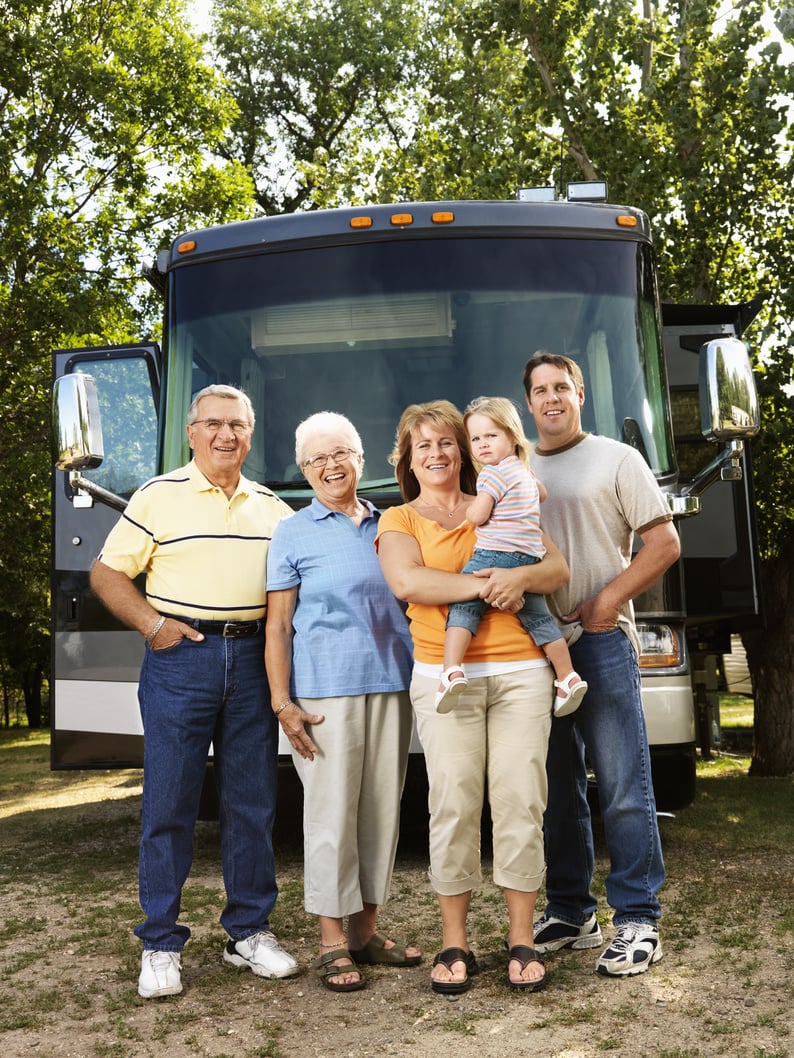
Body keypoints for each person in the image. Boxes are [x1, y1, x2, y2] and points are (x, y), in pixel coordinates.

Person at [89, 384, 299, 999]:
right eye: (212, 424)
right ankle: (159, 942)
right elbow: (107, 573)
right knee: (170, 802)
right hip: (182, 659)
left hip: (254, 659)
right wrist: (153, 627)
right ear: (191, 431)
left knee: (252, 802)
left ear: (250, 433)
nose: (224, 435)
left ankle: (248, 933)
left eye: (236, 424)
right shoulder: (158, 496)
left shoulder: (272, 508)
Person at [375, 400, 570, 994]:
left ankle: (520, 939)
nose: (436, 454)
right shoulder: (399, 520)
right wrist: (495, 582)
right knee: (454, 803)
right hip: (444, 675)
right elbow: (410, 582)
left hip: (521, 673)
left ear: (465, 449)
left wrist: (521, 576)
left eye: (446, 443)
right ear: (406, 459)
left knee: (520, 800)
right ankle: (455, 942)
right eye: (422, 446)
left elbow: (555, 569)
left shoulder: (504, 498)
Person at [522, 352, 681, 977]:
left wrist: (607, 601)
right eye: (539, 390)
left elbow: (665, 543)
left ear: (580, 393)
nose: (551, 398)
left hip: (601, 640)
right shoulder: (515, 463)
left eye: (562, 386)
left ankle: (638, 917)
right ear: (529, 402)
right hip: (536, 649)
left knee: (621, 785)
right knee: (557, 790)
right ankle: (571, 909)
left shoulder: (619, 458)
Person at [265, 412, 421, 993]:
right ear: (304, 470)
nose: (331, 466)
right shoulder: (293, 531)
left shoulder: (393, 524)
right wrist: (282, 701)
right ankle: (331, 941)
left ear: (361, 457)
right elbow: (278, 627)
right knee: (331, 815)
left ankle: (364, 933)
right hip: (324, 692)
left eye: (342, 454)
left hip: (391, 684)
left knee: (382, 810)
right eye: (317, 459)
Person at [436, 395, 587, 717]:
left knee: (463, 604)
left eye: (491, 436)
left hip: (495, 554)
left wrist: (471, 509)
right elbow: (542, 495)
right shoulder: (524, 472)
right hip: (529, 556)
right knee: (538, 618)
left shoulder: (491, 474)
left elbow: (477, 516)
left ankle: (451, 671)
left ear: (513, 437)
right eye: (475, 439)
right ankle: (567, 677)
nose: (482, 445)